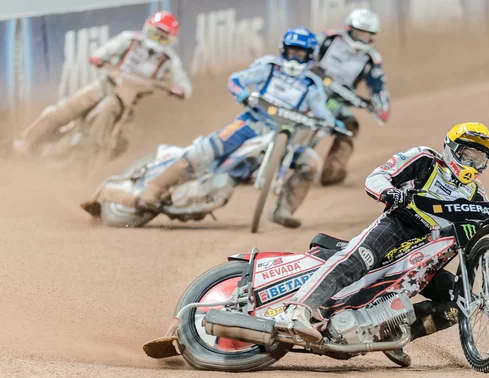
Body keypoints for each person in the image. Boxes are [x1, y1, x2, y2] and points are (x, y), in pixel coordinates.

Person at [280, 122, 489, 365]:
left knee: (459, 303)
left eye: (480, 158)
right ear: (452, 148)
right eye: (469, 154)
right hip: (397, 226)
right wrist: (390, 192)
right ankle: (297, 311)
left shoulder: (477, 196)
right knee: (354, 261)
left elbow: (487, 241)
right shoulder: (424, 159)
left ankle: (394, 335)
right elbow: (377, 176)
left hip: (428, 253)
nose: (473, 164)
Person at [137, 27, 344, 228]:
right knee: (203, 152)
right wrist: (243, 94)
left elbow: (322, 112)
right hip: (249, 124)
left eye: (301, 54)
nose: (295, 58)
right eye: (292, 52)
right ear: (284, 50)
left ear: (310, 56)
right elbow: (236, 80)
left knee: (312, 162)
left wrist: (333, 124)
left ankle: (284, 210)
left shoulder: (311, 85)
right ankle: (154, 187)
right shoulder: (268, 67)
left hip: (285, 138)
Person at [13, 10, 192, 154]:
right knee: (63, 110)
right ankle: (25, 143)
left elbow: (185, 86)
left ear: (170, 40)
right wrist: (102, 61)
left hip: (128, 102)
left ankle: (88, 159)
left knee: (106, 133)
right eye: (154, 34)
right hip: (104, 85)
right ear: (147, 29)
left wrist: (176, 89)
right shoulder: (130, 40)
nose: (156, 41)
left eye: (162, 37)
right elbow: (100, 53)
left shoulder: (169, 60)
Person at [312, 8, 391, 186]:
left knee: (350, 124)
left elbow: (378, 86)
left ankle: (333, 170)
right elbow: (302, 51)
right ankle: (251, 159)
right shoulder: (328, 38)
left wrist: (382, 108)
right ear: (349, 29)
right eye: (359, 33)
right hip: (307, 89)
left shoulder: (372, 59)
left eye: (367, 35)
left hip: (335, 100)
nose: (362, 38)